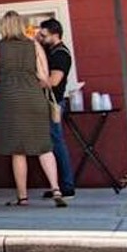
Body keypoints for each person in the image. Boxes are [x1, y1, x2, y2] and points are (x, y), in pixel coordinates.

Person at [0, 11, 67, 208]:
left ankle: (22, 197)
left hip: (10, 100)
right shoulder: (35, 45)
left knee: (18, 150)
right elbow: (44, 76)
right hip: (33, 97)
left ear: (3, 27)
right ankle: (56, 188)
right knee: (44, 146)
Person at [39, 19, 76, 199]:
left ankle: (67, 184)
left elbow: (53, 81)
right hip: (47, 102)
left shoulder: (61, 54)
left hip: (54, 102)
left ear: (55, 34)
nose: (42, 38)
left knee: (56, 141)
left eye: (44, 35)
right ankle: (59, 185)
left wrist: (30, 83)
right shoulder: (50, 50)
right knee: (52, 142)